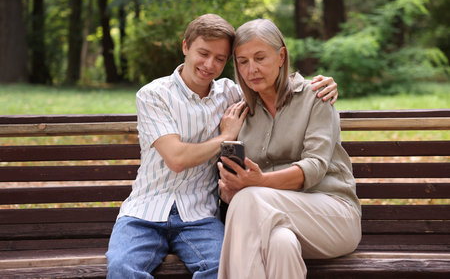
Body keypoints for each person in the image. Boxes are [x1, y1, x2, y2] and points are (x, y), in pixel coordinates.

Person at [106, 14, 339, 279]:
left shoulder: (232, 94)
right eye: (203, 53)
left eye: (220, 59)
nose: (209, 65)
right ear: (185, 47)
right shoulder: (154, 94)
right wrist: (224, 137)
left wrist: (321, 85)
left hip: (199, 216)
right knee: (122, 268)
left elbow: (270, 83)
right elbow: (176, 158)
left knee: (221, 267)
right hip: (144, 212)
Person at [217, 19, 361, 279]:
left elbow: (315, 167)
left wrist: (258, 182)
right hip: (273, 218)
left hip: (333, 217)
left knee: (248, 198)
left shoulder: (316, 97)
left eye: (260, 58)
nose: (252, 69)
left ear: (281, 55)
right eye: (243, 61)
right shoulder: (240, 113)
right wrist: (229, 189)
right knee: (281, 244)